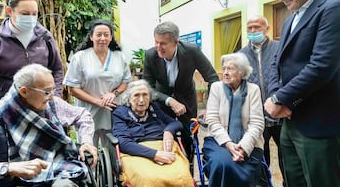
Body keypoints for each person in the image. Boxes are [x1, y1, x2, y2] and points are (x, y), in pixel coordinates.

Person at [264, 0, 340, 187]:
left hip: (321, 123)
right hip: (291, 121)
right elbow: (275, 63)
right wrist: (277, 95)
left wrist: (280, 98)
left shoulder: (337, 8)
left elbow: (322, 66)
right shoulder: (290, 20)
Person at [0, 64, 97, 187]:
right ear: (24, 91)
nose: (52, 96)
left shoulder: (51, 104)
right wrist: (7, 168)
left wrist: (86, 141)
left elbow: (82, 115)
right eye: (47, 92)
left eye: (52, 90)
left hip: (59, 171)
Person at [143, 21, 219, 157]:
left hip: (187, 101)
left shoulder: (192, 51)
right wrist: (169, 100)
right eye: (156, 42)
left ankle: (188, 172)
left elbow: (212, 77)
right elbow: (147, 87)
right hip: (162, 101)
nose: (158, 47)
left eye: (163, 44)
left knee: (188, 140)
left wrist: (210, 107)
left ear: (175, 42)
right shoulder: (150, 55)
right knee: (163, 139)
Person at [112, 79, 193, 187]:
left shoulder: (153, 108)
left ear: (150, 97)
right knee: (149, 179)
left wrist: (168, 131)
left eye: (145, 95)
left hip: (163, 147)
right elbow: (124, 143)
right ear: (129, 99)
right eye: (136, 95)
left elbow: (176, 123)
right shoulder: (120, 113)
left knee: (182, 176)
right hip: (136, 152)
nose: (141, 100)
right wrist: (155, 154)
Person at [63, 19, 132, 146]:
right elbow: (72, 88)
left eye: (106, 35)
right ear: (91, 36)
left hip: (112, 111)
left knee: (113, 151)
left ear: (111, 37)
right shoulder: (80, 57)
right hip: (88, 111)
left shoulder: (119, 56)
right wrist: (98, 102)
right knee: (88, 151)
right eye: (98, 34)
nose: (102, 38)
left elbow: (125, 81)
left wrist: (113, 94)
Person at [202, 52, 265, 187]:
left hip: (249, 145)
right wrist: (229, 144)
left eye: (230, 69)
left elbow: (257, 124)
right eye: (224, 69)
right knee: (222, 164)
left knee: (242, 167)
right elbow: (212, 120)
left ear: (242, 72)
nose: (225, 73)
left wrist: (242, 148)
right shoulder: (216, 88)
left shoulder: (253, 90)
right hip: (218, 142)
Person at [238, 15, 284, 184]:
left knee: (287, 157)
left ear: (267, 28)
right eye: (249, 28)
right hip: (256, 118)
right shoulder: (240, 55)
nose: (253, 31)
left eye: (257, 27)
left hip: (280, 113)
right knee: (259, 159)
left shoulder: (280, 48)